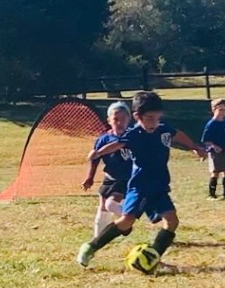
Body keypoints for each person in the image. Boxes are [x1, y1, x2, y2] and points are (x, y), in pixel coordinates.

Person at [76, 91, 206, 272]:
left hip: (159, 187)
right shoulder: (133, 134)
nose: (154, 121)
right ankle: (91, 247)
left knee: (172, 221)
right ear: (138, 116)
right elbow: (116, 144)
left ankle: (153, 256)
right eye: (150, 118)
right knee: (126, 221)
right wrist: (98, 153)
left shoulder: (163, 129)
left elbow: (178, 135)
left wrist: (194, 147)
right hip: (140, 187)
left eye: (157, 117)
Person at [81, 102, 132, 236]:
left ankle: (128, 219)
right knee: (103, 206)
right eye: (115, 119)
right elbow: (95, 159)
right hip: (110, 177)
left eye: (123, 118)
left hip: (127, 179)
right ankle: (98, 239)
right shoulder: (104, 139)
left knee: (111, 204)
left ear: (129, 119)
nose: (119, 122)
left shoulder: (133, 136)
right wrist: (90, 177)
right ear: (109, 121)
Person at [201, 98, 225, 199]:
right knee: (215, 171)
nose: (223, 112)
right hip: (215, 152)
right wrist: (214, 146)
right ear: (214, 109)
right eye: (220, 109)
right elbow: (206, 140)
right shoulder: (211, 124)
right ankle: (212, 194)